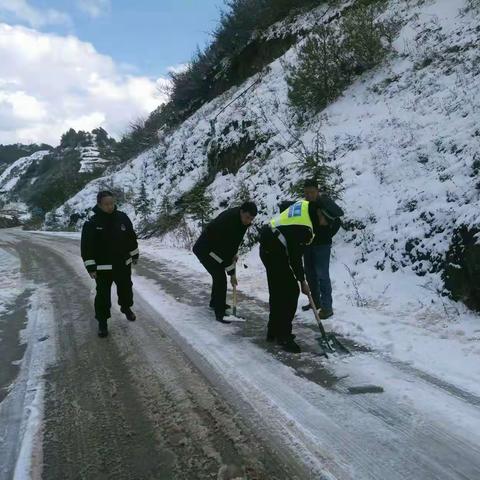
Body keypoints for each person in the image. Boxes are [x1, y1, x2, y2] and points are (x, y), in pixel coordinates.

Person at [259, 199, 324, 353]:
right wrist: (302, 281)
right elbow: (295, 258)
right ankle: (283, 336)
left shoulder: (303, 209)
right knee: (290, 292)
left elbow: (293, 253)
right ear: (319, 213)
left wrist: (301, 278)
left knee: (277, 291)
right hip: (274, 251)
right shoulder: (304, 227)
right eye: (324, 218)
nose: (324, 222)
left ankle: (273, 331)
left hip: (268, 246)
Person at [81, 191, 139, 337]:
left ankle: (126, 308)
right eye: (106, 204)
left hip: (122, 264)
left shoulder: (122, 217)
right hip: (103, 269)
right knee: (103, 296)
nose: (110, 207)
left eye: (112, 203)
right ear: (99, 204)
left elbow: (131, 237)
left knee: (126, 289)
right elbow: (87, 247)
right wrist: (90, 267)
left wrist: (134, 254)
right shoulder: (92, 223)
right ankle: (102, 322)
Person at [193, 201, 258, 324]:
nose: (248, 221)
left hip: (215, 248)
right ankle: (219, 312)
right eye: (247, 217)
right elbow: (224, 249)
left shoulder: (241, 221)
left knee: (218, 274)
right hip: (205, 249)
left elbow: (233, 243)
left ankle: (215, 303)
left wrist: (233, 254)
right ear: (241, 212)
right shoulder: (229, 221)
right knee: (220, 277)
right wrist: (231, 273)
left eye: (251, 219)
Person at [303, 179, 343, 319]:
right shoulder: (304, 206)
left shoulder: (324, 203)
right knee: (310, 274)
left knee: (322, 275)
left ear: (317, 191)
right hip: (308, 245)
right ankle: (315, 302)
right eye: (306, 193)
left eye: (312, 192)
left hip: (322, 246)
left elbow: (338, 221)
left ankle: (327, 307)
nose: (309, 195)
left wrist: (327, 235)